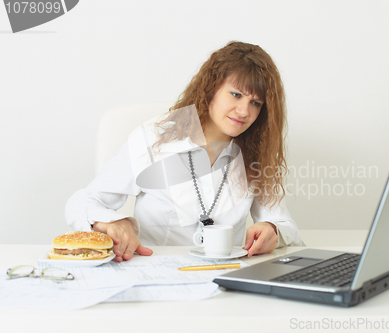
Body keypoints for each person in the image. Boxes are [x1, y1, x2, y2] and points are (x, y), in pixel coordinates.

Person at [65, 41, 302, 262]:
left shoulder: (253, 157)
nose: (243, 111)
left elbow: (286, 224)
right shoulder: (153, 139)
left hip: (224, 279)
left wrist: (273, 230)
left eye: (256, 103)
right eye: (236, 94)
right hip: (155, 274)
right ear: (211, 88)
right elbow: (81, 201)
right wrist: (112, 223)